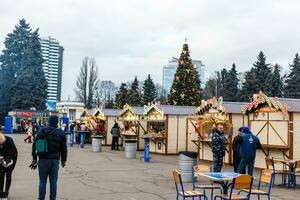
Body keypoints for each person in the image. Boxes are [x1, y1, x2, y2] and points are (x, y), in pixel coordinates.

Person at [30, 115, 68, 200]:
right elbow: (64, 149)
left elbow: (35, 144)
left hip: (43, 160)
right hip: (55, 161)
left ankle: (41, 198)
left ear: (49, 121)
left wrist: (34, 158)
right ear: (57, 122)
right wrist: (63, 161)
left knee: (42, 181)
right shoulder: (61, 133)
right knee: (53, 182)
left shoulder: (42, 130)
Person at [0, 133, 18, 200]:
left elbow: (10, 154)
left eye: (2, 144)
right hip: (1, 157)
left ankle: (6, 193)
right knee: (1, 174)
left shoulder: (9, 141)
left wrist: (5, 161)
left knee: (8, 174)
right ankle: (0, 192)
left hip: (12, 157)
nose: (1, 145)